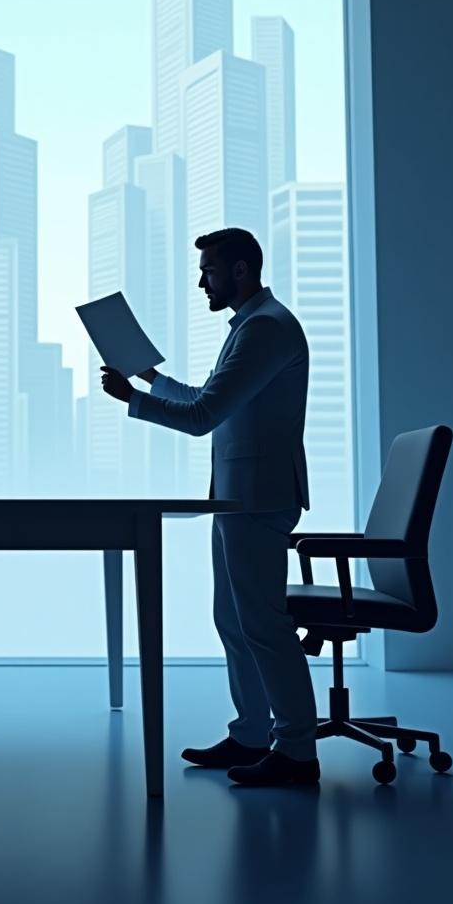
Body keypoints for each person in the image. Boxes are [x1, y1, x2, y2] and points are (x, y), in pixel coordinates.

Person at [100, 228, 319, 787]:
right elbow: (206, 399)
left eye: (210, 271)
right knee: (234, 621)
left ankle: (296, 750)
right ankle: (250, 733)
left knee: (263, 625)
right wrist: (150, 379)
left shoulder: (265, 329)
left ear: (241, 270)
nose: (202, 282)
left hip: (257, 497)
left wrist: (136, 401)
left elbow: (202, 418)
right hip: (236, 497)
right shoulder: (252, 325)